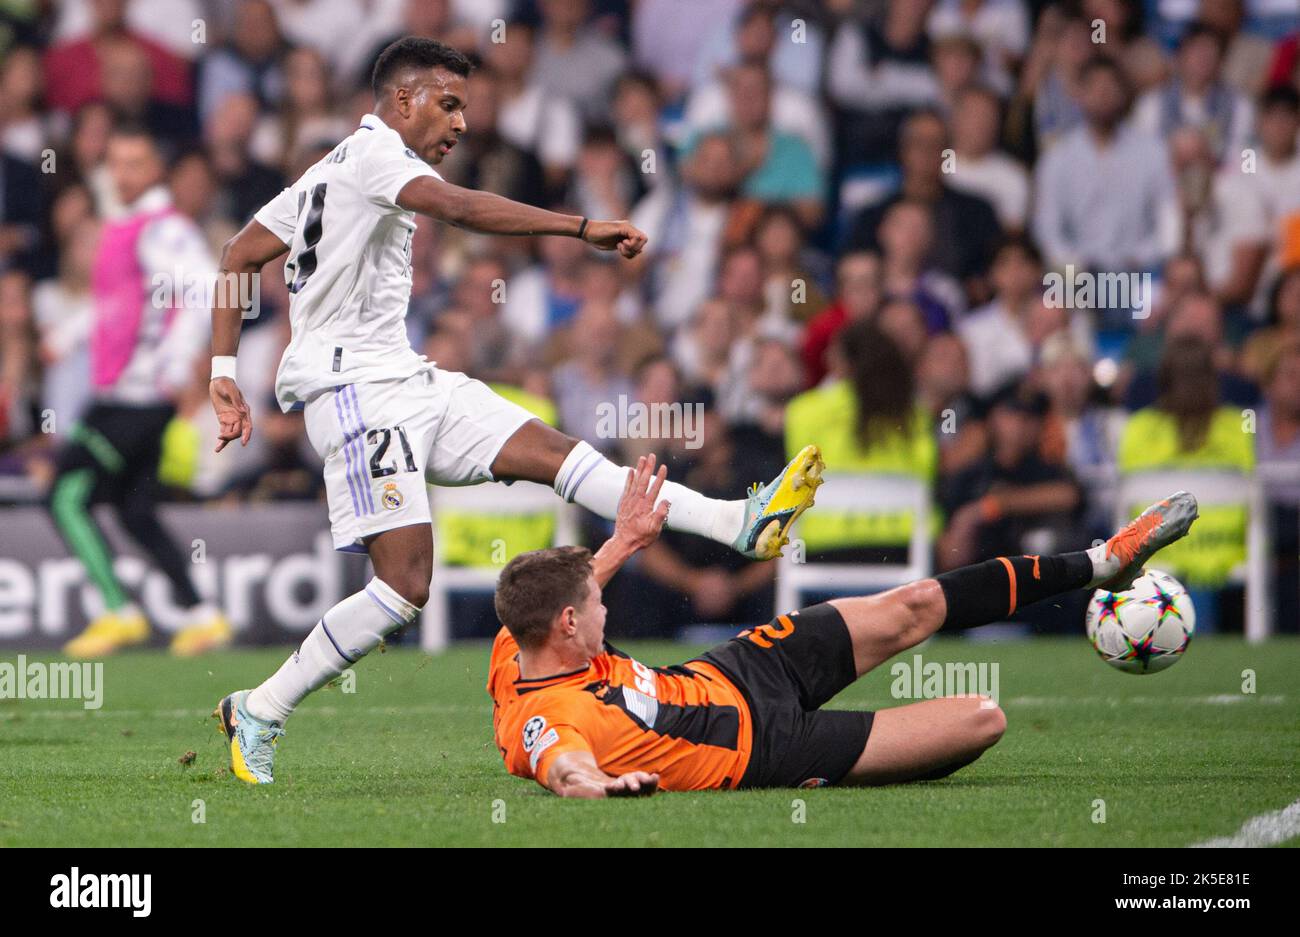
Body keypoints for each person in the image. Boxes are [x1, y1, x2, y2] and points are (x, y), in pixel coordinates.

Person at [209, 38, 823, 784]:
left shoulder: (324, 172)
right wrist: (580, 226)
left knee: (564, 459)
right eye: (449, 102)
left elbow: (240, 254)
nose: (462, 122)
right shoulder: (372, 158)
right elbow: (462, 207)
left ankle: (737, 522)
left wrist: (222, 371)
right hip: (352, 394)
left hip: (405, 377)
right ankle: (261, 709)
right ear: (401, 100)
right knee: (405, 586)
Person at [488, 456, 1198, 797]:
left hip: (734, 669)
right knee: (983, 718)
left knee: (915, 601)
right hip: (765, 748)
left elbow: (581, 587)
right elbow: (562, 764)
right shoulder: (547, 715)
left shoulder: (517, 634)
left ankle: (1102, 560)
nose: (609, 608)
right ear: (571, 623)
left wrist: (625, 541)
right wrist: (599, 788)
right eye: (598, 600)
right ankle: (833, 770)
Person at [48, 124, 232, 658]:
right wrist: (68, 334)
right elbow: (120, 304)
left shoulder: (162, 229)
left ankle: (117, 611)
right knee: (134, 511)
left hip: (138, 396)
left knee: (64, 493)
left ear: (155, 171)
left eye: (135, 162)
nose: (122, 173)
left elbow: (202, 289)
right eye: (115, 162)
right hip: (123, 392)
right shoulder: (126, 227)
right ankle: (201, 615)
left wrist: (175, 365)